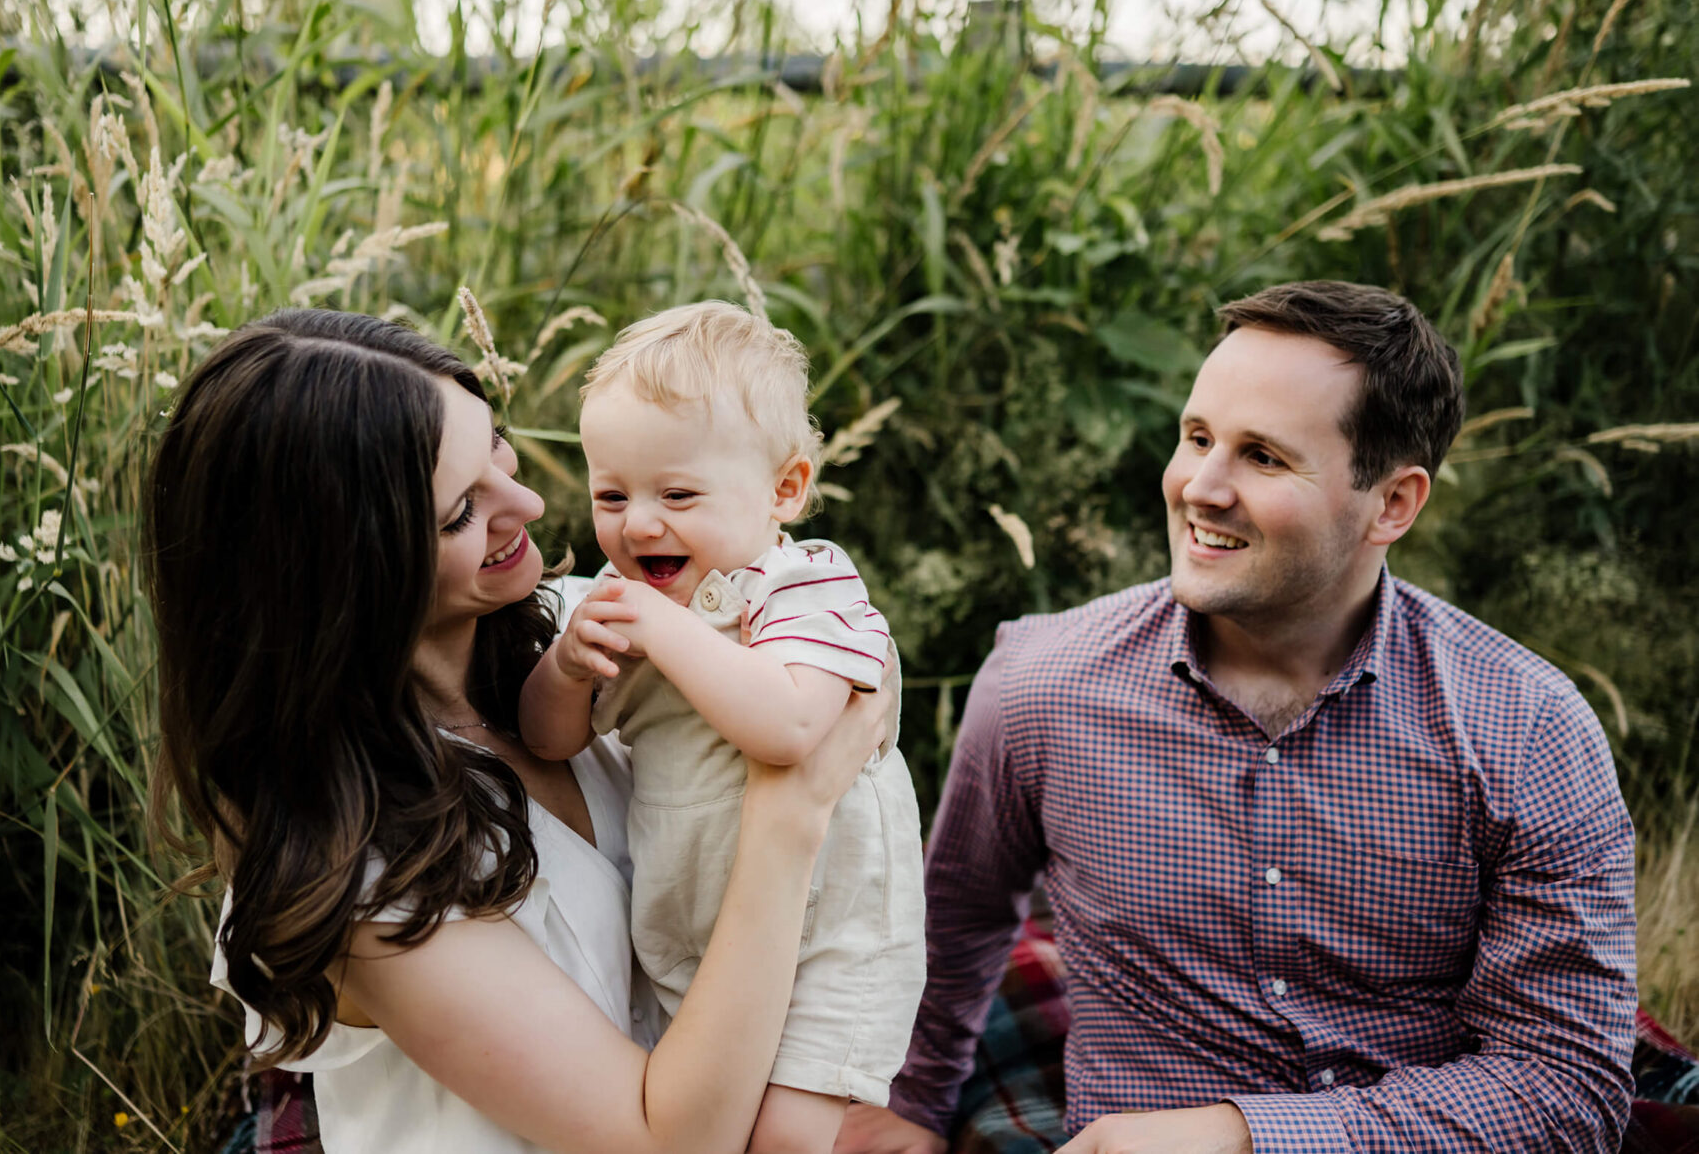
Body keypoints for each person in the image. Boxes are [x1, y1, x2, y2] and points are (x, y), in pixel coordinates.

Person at [836, 281, 1638, 1154]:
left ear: (1393, 503)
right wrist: (910, 1103)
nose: (1200, 488)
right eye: (1197, 438)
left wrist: (1242, 1137)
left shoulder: (1528, 729)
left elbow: (1569, 1085)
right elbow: (955, 921)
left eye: (1262, 456)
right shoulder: (1041, 685)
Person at [144, 307, 893, 1154]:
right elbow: (662, 1143)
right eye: (464, 508)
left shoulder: (600, 641)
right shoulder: (359, 870)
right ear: (348, 574)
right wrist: (791, 812)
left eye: (498, 448)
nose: (530, 501)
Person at [521, 302, 926, 1154]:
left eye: (677, 494)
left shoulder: (804, 585)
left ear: (785, 489)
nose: (638, 523)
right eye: (611, 494)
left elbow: (788, 728)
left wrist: (657, 628)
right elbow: (552, 740)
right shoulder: (624, 602)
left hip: (832, 938)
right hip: (692, 931)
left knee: (781, 1141)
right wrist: (564, 667)